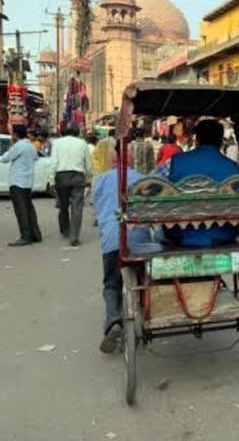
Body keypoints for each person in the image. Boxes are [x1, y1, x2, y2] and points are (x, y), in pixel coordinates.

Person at [92, 142, 153, 353]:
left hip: (111, 241)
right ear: (131, 159)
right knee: (144, 280)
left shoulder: (100, 181)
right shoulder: (143, 180)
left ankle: (114, 321)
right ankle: (142, 318)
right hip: (140, 243)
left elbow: (98, 211)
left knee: (111, 285)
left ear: (113, 159)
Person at [156, 119, 239, 247]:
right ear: (220, 142)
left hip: (178, 233)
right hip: (224, 234)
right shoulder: (234, 168)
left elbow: (152, 186)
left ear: (197, 140)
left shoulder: (174, 162)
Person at [49, 122, 93, 247]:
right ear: (77, 131)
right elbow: (88, 164)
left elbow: (53, 162)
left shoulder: (57, 143)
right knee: (77, 207)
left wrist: (51, 180)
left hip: (61, 176)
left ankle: (65, 230)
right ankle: (74, 236)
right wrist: (89, 179)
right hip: (78, 176)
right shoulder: (83, 143)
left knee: (63, 205)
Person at [0, 124, 42, 246]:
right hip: (28, 181)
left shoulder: (18, 146)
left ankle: (26, 236)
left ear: (16, 134)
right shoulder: (31, 146)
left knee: (21, 210)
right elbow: (35, 158)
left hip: (17, 181)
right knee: (29, 208)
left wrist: (11, 145)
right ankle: (35, 233)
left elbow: (5, 158)